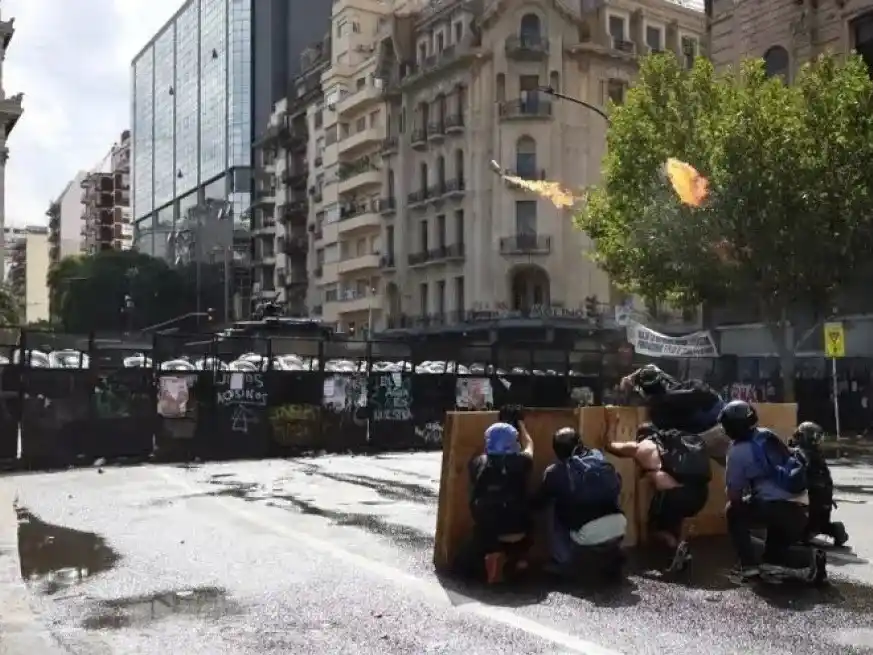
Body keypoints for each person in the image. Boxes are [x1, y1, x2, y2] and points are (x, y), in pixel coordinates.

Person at [720, 400, 824, 580]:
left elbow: (734, 495)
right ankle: (810, 559)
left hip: (775, 510)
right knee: (771, 562)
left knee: (732, 511)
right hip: (800, 510)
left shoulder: (737, 451)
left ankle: (748, 566)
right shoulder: (767, 435)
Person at [604, 418, 710, 572]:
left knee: (655, 527)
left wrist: (611, 426)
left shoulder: (642, 447)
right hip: (701, 494)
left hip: (676, 496)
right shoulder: (676, 444)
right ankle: (682, 547)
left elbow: (611, 447)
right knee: (678, 517)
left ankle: (675, 546)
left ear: (641, 436)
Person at [532, 427, 626, 579]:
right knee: (606, 495)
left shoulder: (555, 472)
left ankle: (562, 560)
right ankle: (613, 550)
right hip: (619, 524)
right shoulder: (598, 457)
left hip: (588, 533)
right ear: (580, 443)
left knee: (554, 505)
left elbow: (539, 502)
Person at [465, 406, 534, 583]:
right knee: (531, 512)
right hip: (518, 527)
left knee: (480, 526)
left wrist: (493, 430)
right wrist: (521, 425)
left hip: (489, 530)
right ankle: (520, 558)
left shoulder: (479, 463)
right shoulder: (521, 461)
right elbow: (529, 445)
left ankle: (492, 553)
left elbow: (479, 453)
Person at [621, 364, 728, 461]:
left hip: (715, 435)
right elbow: (652, 367)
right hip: (730, 423)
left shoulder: (659, 410)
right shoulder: (693, 384)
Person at [790, 421, 849, 547]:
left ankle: (804, 532)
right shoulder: (817, 456)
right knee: (822, 524)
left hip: (810, 507)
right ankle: (833, 529)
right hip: (823, 506)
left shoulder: (800, 454)